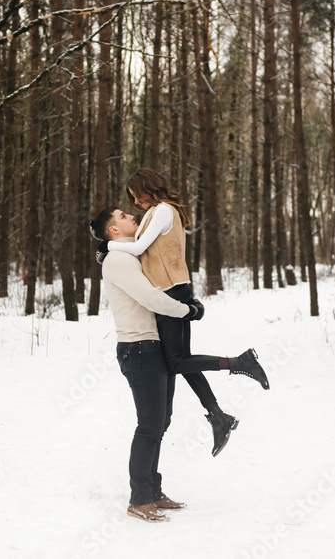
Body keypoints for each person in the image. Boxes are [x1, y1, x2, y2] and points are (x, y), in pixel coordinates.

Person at [101, 168, 270, 457]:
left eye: (135, 196)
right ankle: (218, 416)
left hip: (171, 291)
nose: (135, 203)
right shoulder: (158, 212)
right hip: (170, 290)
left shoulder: (164, 210)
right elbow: (143, 252)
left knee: (176, 362)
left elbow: (140, 246)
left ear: (146, 189)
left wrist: (107, 245)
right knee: (178, 362)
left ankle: (239, 363)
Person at [90, 206, 202, 523]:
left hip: (152, 345)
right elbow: (150, 297)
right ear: (113, 230)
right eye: (123, 216)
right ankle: (139, 499)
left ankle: (153, 491)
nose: (131, 217)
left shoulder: (128, 254)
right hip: (138, 348)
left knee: (160, 422)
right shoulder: (118, 260)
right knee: (150, 426)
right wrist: (187, 311)